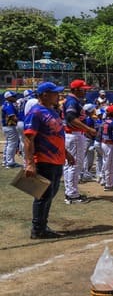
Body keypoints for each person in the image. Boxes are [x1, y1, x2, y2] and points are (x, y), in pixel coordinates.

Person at [23, 82, 73, 239]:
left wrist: (66, 154)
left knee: (51, 193)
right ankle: (38, 229)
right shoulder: (36, 112)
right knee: (43, 195)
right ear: (44, 95)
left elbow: (57, 135)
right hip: (44, 159)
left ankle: (42, 225)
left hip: (57, 160)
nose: (58, 95)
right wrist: (30, 163)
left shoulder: (52, 111)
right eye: (55, 93)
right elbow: (28, 139)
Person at [62, 79, 96, 204]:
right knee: (74, 165)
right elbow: (71, 118)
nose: (85, 91)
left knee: (70, 165)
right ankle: (72, 195)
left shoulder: (72, 100)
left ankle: (70, 192)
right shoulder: (72, 101)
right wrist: (88, 129)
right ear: (76, 89)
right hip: (74, 135)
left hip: (72, 135)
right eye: (83, 89)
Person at [3, 91, 21, 168]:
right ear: (8, 98)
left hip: (8, 127)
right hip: (10, 127)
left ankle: (5, 161)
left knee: (8, 144)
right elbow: (13, 117)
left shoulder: (7, 104)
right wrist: (22, 120)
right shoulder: (8, 105)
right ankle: (10, 163)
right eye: (13, 96)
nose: (15, 98)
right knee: (12, 144)